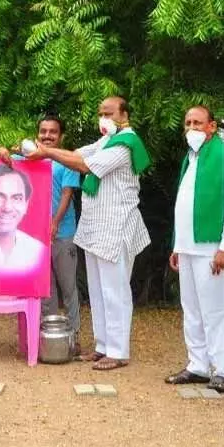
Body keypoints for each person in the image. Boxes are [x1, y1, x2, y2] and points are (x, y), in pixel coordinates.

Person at [18, 96, 151, 371]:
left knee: (115, 291)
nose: (104, 118)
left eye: (110, 113)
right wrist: (39, 152)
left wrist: (46, 152)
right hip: (95, 228)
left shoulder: (126, 144)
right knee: (99, 291)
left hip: (116, 226)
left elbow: (83, 166)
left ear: (124, 115)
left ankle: (118, 351)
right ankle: (103, 346)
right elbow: (78, 154)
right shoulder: (105, 141)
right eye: (101, 113)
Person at [165, 105, 224, 393]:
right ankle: (197, 365)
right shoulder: (190, 158)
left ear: (212, 126)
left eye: (198, 123)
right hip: (186, 246)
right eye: (188, 123)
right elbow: (183, 204)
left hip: (211, 246)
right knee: (192, 309)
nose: (192, 128)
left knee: (215, 310)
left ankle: (223, 370)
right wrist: (176, 244)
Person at [36, 115, 82, 351]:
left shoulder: (67, 160)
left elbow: (67, 193)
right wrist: (3, 149)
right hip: (37, 236)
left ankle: (74, 338)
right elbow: (5, 160)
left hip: (63, 234)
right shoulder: (30, 159)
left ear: (60, 135)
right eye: (43, 131)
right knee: (46, 289)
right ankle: (49, 340)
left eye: (52, 132)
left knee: (68, 287)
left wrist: (54, 222)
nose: (47, 136)